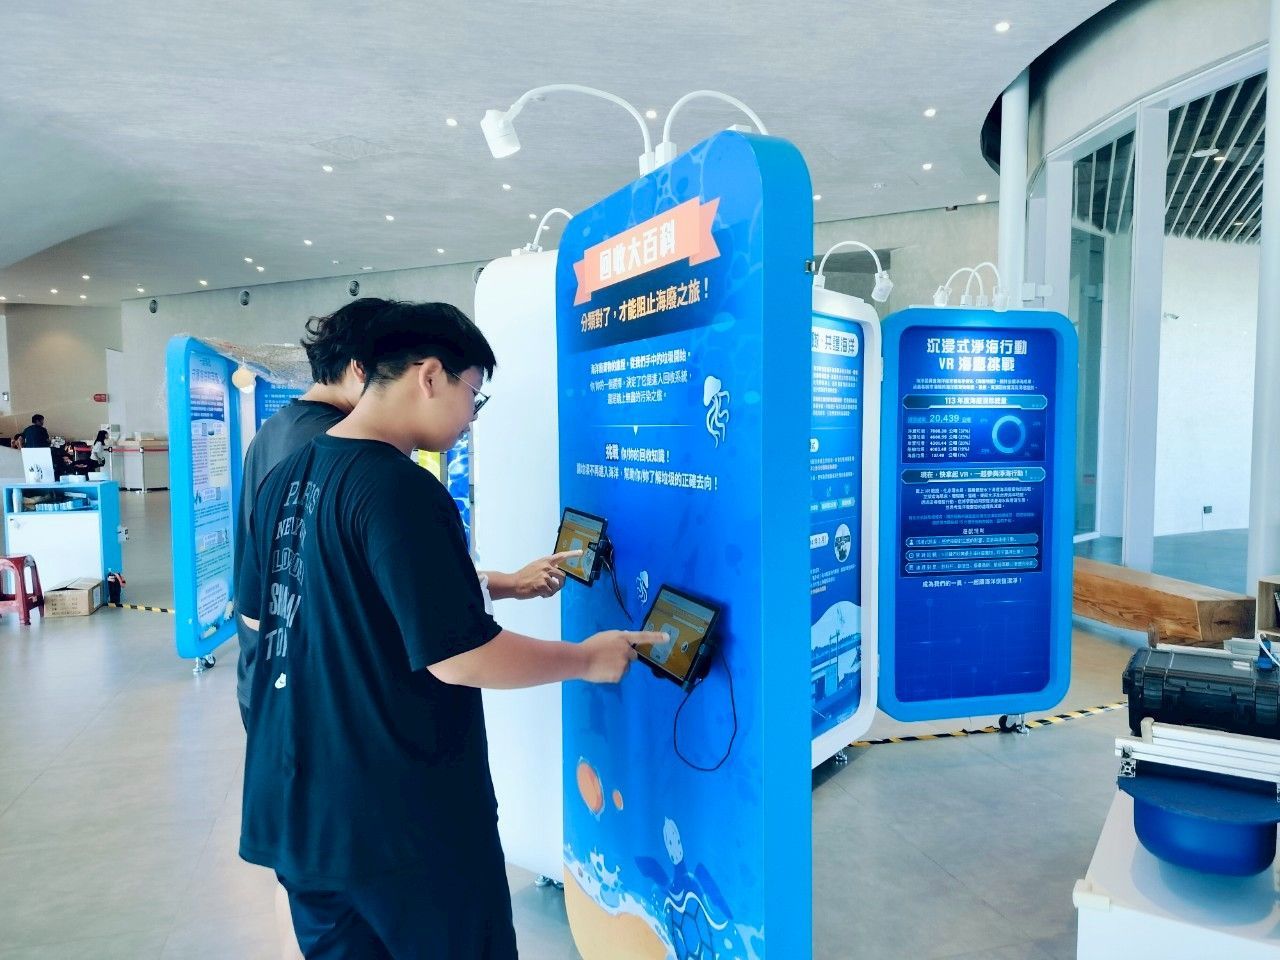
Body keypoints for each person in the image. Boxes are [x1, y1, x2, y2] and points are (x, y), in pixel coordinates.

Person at [237, 301, 656, 959]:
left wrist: (500, 584)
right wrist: (586, 659)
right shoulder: (398, 487)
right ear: (429, 375)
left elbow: (281, 612)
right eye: (473, 394)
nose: (471, 417)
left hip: (298, 814)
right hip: (399, 820)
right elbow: (460, 657)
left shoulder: (286, 477)